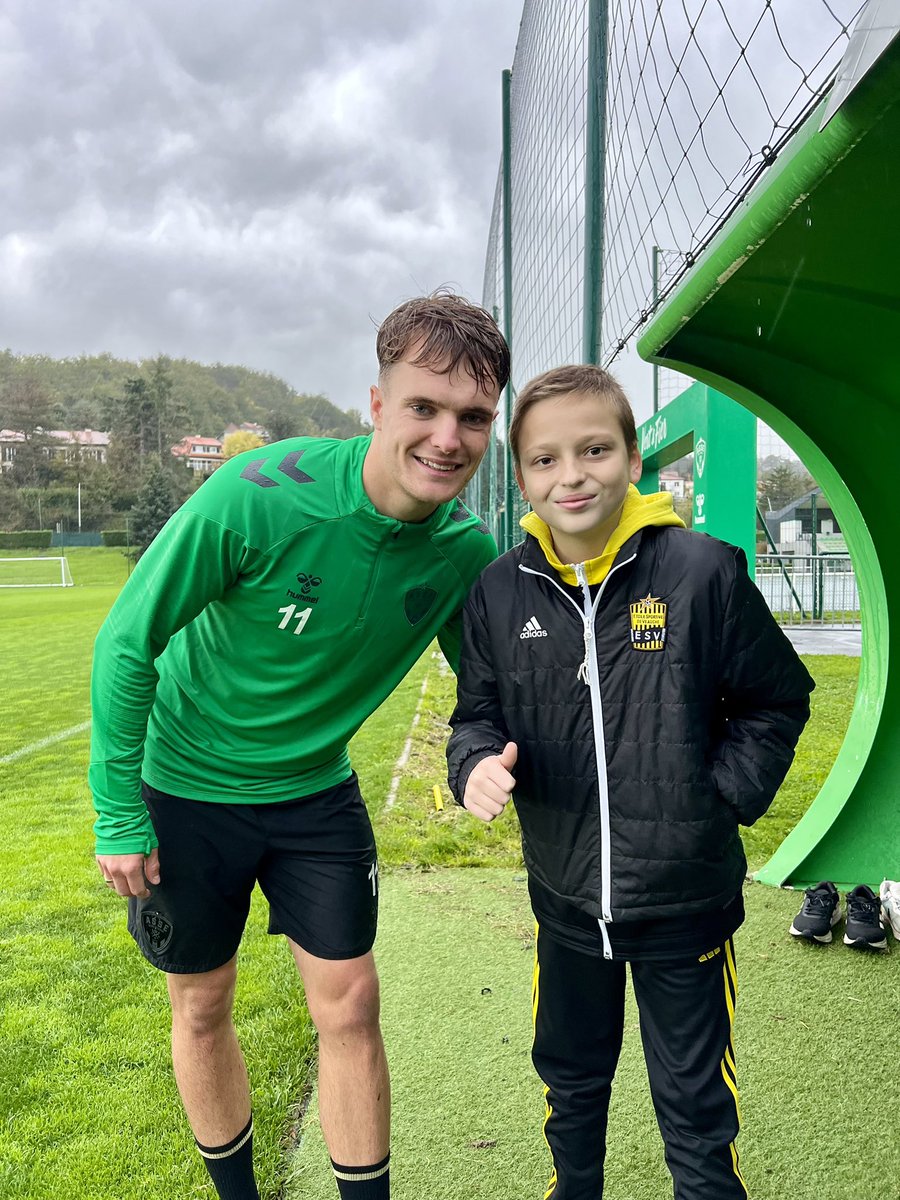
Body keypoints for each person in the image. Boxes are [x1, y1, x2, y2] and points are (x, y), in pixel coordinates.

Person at [90, 292, 509, 1200]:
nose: (448, 438)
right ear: (377, 404)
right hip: (186, 790)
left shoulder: (464, 554)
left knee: (352, 1003)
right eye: (424, 407)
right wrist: (118, 810)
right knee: (202, 1002)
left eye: (474, 417)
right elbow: (127, 642)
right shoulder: (258, 495)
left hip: (315, 794)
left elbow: (493, 691)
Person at [447, 363, 814, 1199]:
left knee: (696, 1104)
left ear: (633, 457)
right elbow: (476, 717)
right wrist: (474, 765)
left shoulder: (704, 572)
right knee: (571, 1084)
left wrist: (718, 797)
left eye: (595, 450)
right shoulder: (499, 592)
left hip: (686, 903)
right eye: (545, 460)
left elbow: (776, 700)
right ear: (521, 477)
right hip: (566, 904)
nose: (571, 476)